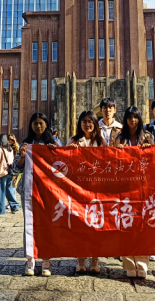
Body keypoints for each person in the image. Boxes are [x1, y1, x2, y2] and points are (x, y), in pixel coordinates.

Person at [14, 112, 60, 277]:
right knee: (29, 224)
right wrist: (22, 156)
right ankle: (30, 259)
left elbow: (61, 166)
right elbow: (15, 168)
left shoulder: (53, 143)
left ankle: (46, 260)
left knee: (47, 224)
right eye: (35, 123)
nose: (38, 126)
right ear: (31, 125)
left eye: (41, 123)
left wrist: (55, 153)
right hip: (28, 189)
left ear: (46, 124)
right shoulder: (26, 144)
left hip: (47, 190)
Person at [114, 106, 154, 279]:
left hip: (143, 186)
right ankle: (129, 264)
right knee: (126, 225)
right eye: (130, 117)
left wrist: (148, 150)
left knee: (142, 227)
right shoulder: (119, 138)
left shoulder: (147, 136)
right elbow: (111, 162)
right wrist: (117, 151)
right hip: (125, 187)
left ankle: (142, 264)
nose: (133, 120)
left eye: (135, 117)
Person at [68, 110, 106, 275]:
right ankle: (81, 260)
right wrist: (70, 151)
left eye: (90, 121)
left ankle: (95, 260)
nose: (87, 124)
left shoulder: (101, 142)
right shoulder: (74, 140)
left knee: (96, 225)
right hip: (79, 189)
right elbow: (65, 163)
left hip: (97, 189)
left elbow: (109, 161)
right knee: (80, 225)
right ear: (80, 123)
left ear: (95, 124)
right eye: (84, 121)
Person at [0, 134, 20, 216]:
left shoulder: (0, 150)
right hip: (10, 172)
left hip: (2, 172)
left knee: (1, 191)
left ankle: (0, 209)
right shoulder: (10, 149)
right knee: (9, 190)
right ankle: (14, 206)